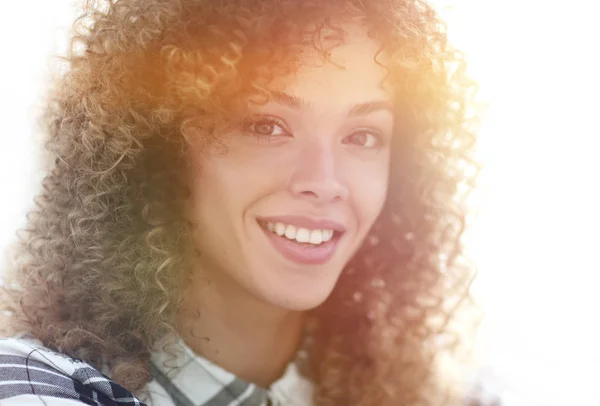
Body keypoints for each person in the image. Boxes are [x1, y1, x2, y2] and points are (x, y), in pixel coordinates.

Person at [0, 0, 479, 405]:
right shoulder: (33, 387)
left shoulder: (447, 394)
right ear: (158, 148)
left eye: (363, 135)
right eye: (266, 126)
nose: (325, 182)